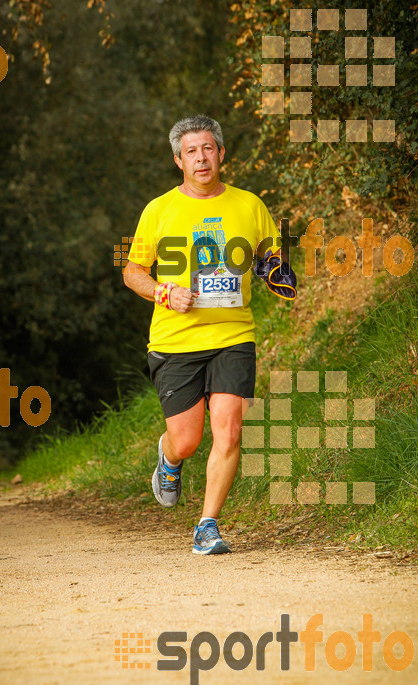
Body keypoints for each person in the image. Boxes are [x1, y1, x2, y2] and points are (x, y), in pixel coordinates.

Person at [123, 115, 296, 555]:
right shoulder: (159, 209)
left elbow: (267, 257)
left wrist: (275, 271)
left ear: (221, 154)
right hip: (175, 340)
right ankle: (169, 457)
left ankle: (207, 525)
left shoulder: (249, 205)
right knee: (188, 439)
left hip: (233, 335)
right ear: (179, 160)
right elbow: (133, 272)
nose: (201, 157)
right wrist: (164, 291)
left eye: (208, 148)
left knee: (230, 430)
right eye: (191, 151)